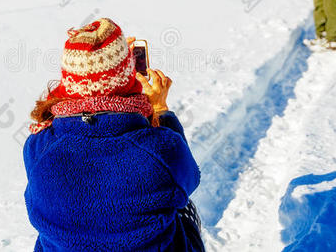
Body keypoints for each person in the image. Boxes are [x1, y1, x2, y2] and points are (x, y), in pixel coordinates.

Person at [23, 18, 205, 252]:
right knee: (183, 206)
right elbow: (188, 179)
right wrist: (160, 110)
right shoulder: (160, 149)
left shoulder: (38, 147)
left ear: (69, 82)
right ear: (128, 78)